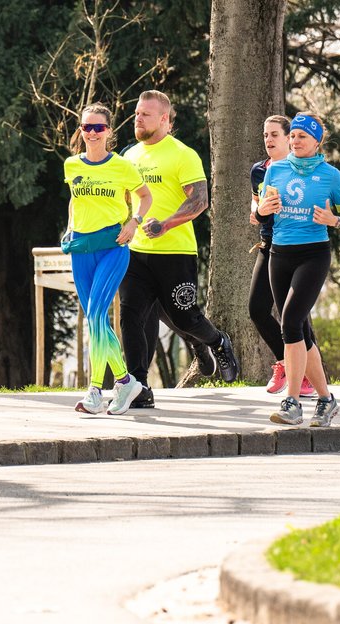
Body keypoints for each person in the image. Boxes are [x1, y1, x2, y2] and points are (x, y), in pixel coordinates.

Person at [119, 90, 239, 408]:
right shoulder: (129, 157)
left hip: (175, 252)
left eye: (145, 113)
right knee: (132, 318)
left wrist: (166, 224)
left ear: (164, 119)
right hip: (135, 253)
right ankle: (139, 387)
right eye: (136, 113)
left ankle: (217, 342)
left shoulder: (182, 154)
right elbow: (122, 202)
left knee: (184, 317)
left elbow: (200, 200)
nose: (138, 118)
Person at [256, 112, 340, 427]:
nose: (296, 141)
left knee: (291, 322)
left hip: (313, 255)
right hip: (279, 253)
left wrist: (334, 220)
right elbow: (264, 216)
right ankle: (326, 400)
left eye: (302, 137)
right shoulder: (276, 171)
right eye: (293, 136)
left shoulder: (331, 175)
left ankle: (293, 401)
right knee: (300, 332)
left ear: (317, 141)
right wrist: (262, 211)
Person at [63, 103, 153, 414]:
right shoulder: (72, 165)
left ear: (108, 132)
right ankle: (126, 382)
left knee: (98, 317)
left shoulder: (122, 166)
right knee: (95, 320)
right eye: (86, 127)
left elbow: (146, 197)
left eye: (98, 127)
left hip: (113, 248)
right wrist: (68, 229)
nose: (91, 133)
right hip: (81, 250)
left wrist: (134, 222)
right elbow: (75, 203)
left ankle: (95, 390)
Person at [249, 114, 314, 397]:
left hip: (298, 249)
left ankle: (308, 379)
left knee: (297, 317)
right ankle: (285, 363)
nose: (268, 140)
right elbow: (255, 211)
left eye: (274, 134)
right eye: (265, 135)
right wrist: (259, 212)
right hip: (269, 246)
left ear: (289, 139)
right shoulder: (259, 171)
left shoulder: (301, 170)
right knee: (257, 309)